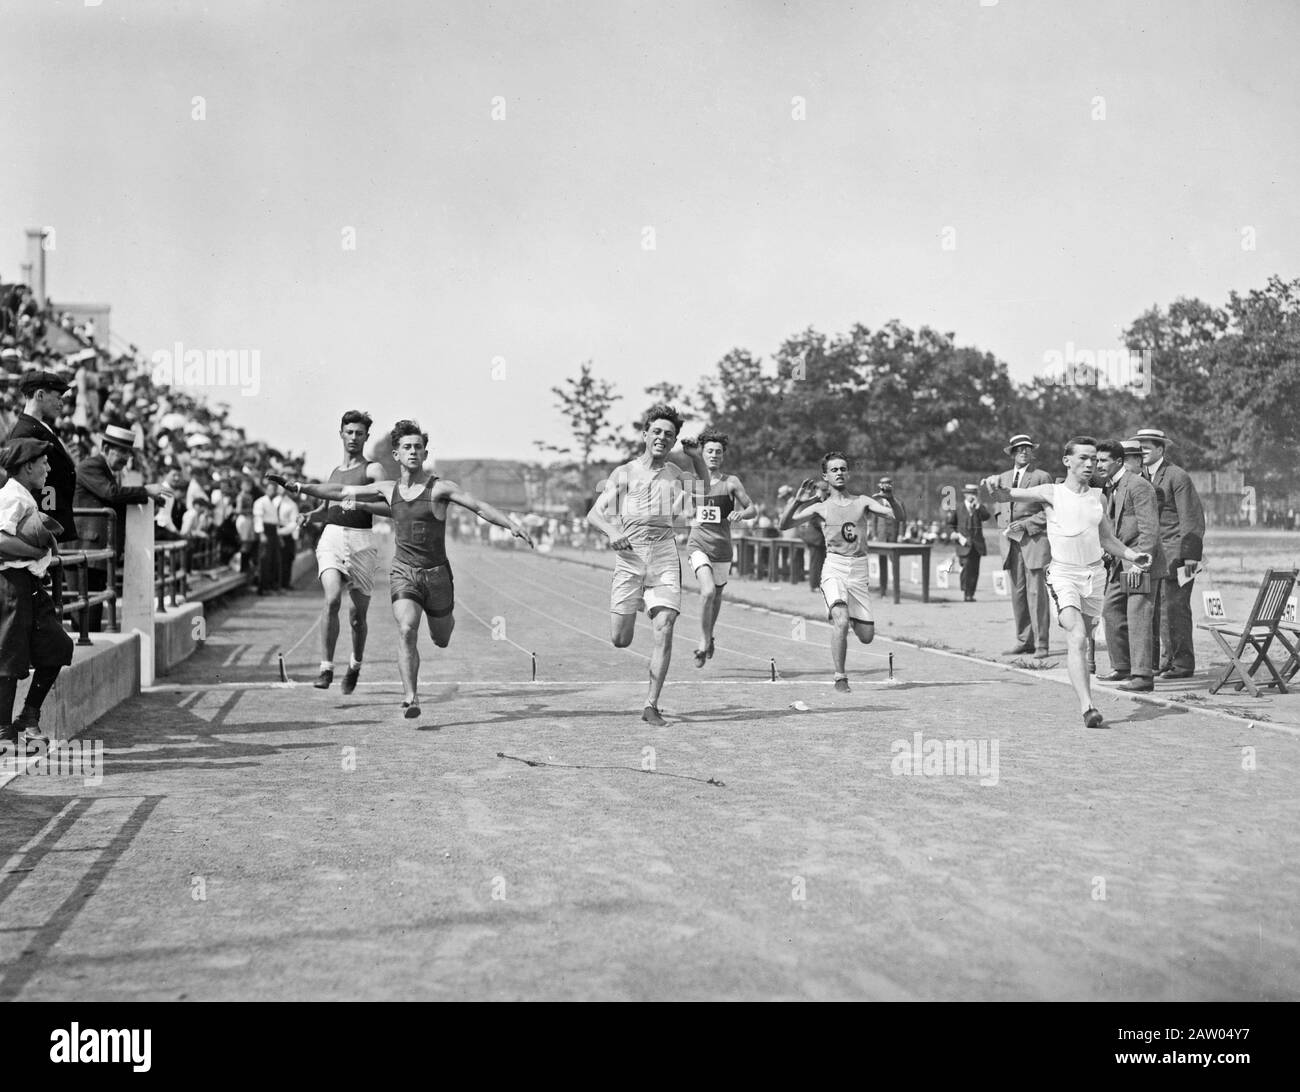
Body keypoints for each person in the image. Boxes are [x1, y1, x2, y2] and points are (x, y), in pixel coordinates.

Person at [269, 420, 533, 720]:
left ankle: (443, 624)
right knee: (407, 629)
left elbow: (479, 506)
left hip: (437, 576)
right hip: (404, 573)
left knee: (441, 638)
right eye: (406, 447)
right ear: (396, 455)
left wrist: (512, 525)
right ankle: (410, 696)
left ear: (425, 452)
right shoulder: (386, 488)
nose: (413, 452)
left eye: (418, 447)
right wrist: (301, 487)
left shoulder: (440, 488)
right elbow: (341, 489)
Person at [984, 437, 1152, 729]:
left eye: (1094, 459)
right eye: (1084, 459)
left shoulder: (1098, 497)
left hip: (1093, 577)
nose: (1090, 465)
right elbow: (1005, 495)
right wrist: (991, 485)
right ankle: (1088, 707)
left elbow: (1107, 539)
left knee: (1085, 638)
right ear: (1067, 461)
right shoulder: (1050, 492)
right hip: (1063, 575)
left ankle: (1085, 685)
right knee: (1076, 635)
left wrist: (1132, 555)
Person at [586, 405, 700, 725]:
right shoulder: (624, 473)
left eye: (670, 435)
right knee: (620, 639)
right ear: (645, 435)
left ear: (674, 441)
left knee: (665, 627)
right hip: (630, 556)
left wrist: (697, 458)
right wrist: (612, 532)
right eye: (658, 432)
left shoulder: (677, 475)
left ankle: (651, 704)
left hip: (663, 554)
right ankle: (639, 600)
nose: (663, 438)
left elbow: (703, 485)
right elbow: (595, 514)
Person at [778, 452, 904, 692]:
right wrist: (797, 501)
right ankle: (840, 677)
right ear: (825, 476)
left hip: (858, 570)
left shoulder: (863, 501)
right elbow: (784, 524)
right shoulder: (820, 507)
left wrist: (892, 498)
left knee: (866, 636)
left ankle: (852, 618)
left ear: (849, 473)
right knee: (841, 620)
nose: (839, 473)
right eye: (834, 470)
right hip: (834, 567)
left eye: (843, 469)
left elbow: (898, 517)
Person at [301, 410, 385, 693]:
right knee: (332, 598)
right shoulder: (335, 473)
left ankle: (355, 664)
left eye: (359, 433)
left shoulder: (373, 470)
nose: (353, 438)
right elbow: (325, 510)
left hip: (362, 541)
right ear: (341, 434)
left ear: (366, 437)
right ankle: (326, 668)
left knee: (357, 616)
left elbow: (387, 503)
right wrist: (308, 516)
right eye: (349, 432)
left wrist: (358, 502)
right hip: (332, 539)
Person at [0, 439, 76, 749]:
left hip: (29, 583)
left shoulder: (24, 496)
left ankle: (28, 715)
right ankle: (4, 729)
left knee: (57, 645)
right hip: (11, 582)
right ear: (27, 465)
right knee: (8, 655)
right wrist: (36, 549)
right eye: (43, 462)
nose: (48, 467)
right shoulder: (10, 496)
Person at [72, 424, 174, 630]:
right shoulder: (90, 466)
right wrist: (145, 490)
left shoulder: (109, 471)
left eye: (128, 453)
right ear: (106, 448)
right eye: (122, 452)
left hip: (98, 551)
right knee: (84, 610)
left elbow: (115, 498)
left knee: (94, 607)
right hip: (85, 550)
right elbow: (111, 493)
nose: (126, 458)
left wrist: (148, 502)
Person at [1134, 428, 1206, 679]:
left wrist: (1190, 561)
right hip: (1152, 557)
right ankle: (1162, 662)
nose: (1141, 452)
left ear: (1161, 449)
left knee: (1176, 609)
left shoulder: (1177, 476)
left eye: (1146, 448)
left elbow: (1192, 520)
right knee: (1153, 611)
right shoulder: (1139, 477)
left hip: (1179, 555)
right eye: (1139, 448)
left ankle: (1183, 665)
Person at [683, 427, 756, 668]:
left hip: (723, 549)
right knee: (707, 592)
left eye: (718, 452)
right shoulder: (693, 481)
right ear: (701, 453)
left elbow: (752, 509)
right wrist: (686, 510)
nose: (713, 455)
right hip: (698, 543)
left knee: (716, 597)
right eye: (709, 451)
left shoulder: (731, 482)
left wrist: (740, 514)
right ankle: (703, 641)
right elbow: (682, 506)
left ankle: (709, 636)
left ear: (723, 456)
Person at [1095, 439, 1162, 692]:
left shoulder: (1139, 485)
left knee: (1138, 617)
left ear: (1119, 462)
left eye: (1103, 460)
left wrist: (1141, 563)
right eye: (1097, 460)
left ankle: (1143, 677)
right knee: (1111, 611)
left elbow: (1149, 529)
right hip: (1119, 563)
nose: (1098, 465)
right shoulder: (1109, 487)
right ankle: (1122, 667)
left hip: (1140, 564)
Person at [989, 434, 1052, 659]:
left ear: (1032, 452)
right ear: (1013, 453)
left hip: (1033, 540)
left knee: (1036, 593)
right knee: (1018, 593)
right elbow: (999, 507)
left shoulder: (1041, 476)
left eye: (1027, 448)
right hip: (1010, 543)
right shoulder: (1002, 478)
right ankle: (1024, 640)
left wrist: (1026, 525)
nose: (1023, 452)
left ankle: (1042, 644)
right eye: (1019, 449)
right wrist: (1004, 528)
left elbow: (1050, 512)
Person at [7, 371, 79, 545]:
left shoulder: (41, 426)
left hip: (55, 515)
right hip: (43, 521)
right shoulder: (25, 431)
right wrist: (46, 524)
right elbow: (26, 482)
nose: (61, 403)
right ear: (40, 395)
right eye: (57, 397)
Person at [947, 484, 990, 602]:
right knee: (966, 566)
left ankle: (971, 593)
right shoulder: (958, 508)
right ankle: (966, 592)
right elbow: (950, 525)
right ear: (965, 494)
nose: (972, 496)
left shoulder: (979, 508)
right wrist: (954, 534)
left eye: (974, 493)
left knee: (975, 569)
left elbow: (986, 517)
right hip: (963, 544)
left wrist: (979, 506)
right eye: (970, 493)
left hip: (977, 544)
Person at [871, 477, 905, 596]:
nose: (885, 487)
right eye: (883, 484)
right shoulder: (876, 502)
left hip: (894, 536)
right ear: (879, 486)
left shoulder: (898, 502)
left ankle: (896, 590)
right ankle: (883, 590)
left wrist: (901, 534)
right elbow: (874, 520)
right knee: (882, 563)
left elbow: (902, 520)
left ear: (892, 486)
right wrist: (874, 534)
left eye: (888, 484)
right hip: (881, 536)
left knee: (895, 563)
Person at [252, 480, 284, 594]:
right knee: (264, 559)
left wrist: (278, 536)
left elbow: (275, 521)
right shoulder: (260, 502)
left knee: (274, 560)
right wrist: (261, 533)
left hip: (273, 531)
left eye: (274, 489)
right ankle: (263, 587)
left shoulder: (274, 503)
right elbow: (258, 518)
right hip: (265, 530)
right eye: (270, 489)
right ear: (266, 489)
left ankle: (271, 586)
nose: (272, 491)